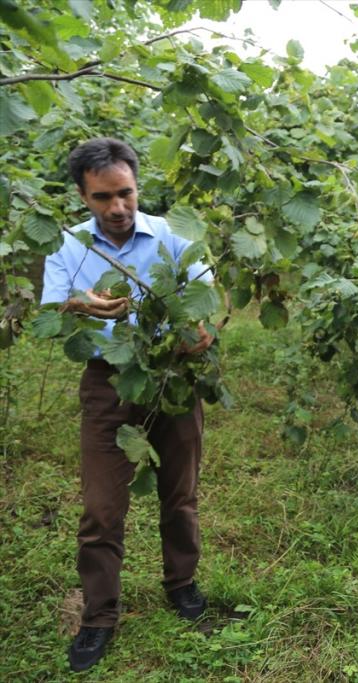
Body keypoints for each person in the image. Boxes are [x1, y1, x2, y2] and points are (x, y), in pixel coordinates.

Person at [40, 138, 215, 672]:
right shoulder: (68, 245)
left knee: (179, 494)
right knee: (101, 508)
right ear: (82, 196)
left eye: (126, 193)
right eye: (102, 198)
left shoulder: (171, 235)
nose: (118, 208)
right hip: (107, 383)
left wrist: (198, 334)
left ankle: (181, 584)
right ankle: (98, 617)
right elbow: (52, 309)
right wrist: (80, 304)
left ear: (138, 186)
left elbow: (203, 298)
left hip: (171, 379)